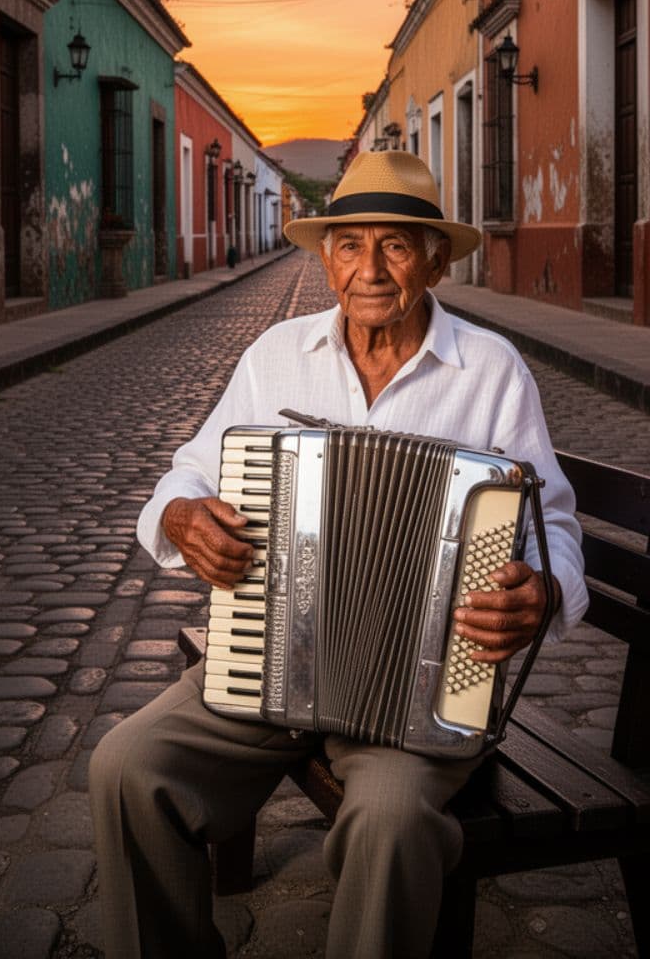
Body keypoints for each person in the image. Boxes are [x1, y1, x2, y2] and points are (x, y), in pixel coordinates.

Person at [89, 150, 588, 959]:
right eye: (350, 245)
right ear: (326, 259)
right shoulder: (275, 357)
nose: (370, 269)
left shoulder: (491, 371)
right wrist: (180, 515)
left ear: (433, 258)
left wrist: (545, 594)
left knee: (390, 820)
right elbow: (188, 468)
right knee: (125, 768)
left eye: (395, 246)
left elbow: (553, 524)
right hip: (267, 664)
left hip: (418, 693)